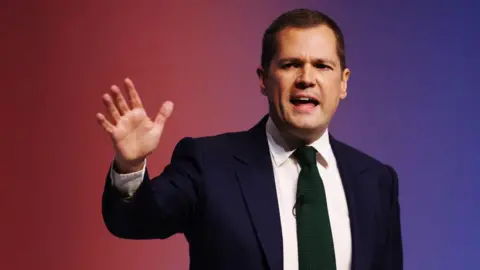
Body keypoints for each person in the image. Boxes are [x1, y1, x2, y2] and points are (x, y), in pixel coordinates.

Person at [97, 8, 403, 270]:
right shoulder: (208, 163)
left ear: (343, 83)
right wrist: (131, 164)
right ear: (263, 79)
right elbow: (134, 221)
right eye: (290, 64)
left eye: (322, 66)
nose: (306, 78)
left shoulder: (376, 181)